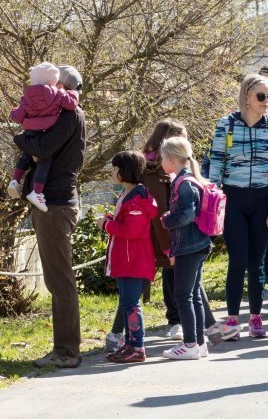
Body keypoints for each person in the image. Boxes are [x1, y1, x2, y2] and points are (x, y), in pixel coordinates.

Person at [207, 74, 268, 340]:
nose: (267, 102)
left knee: (256, 262)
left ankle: (255, 316)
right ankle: (231, 319)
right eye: (261, 96)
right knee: (237, 259)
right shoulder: (226, 124)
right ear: (247, 96)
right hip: (234, 200)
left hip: (263, 200)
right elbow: (216, 163)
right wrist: (213, 201)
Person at [15, 65, 85, 369]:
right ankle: (64, 347)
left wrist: (21, 140)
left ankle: (67, 351)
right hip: (53, 203)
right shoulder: (63, 114)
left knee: (60, 280)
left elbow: (42, 147)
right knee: (58, 279)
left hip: (54, 206)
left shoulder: (68, 116)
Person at [99, 151, 158, 363]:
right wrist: (110, 219)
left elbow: (131, 231)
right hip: (126, 259)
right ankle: (129, 344)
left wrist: (106, 225)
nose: (112, 172)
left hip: (134, 260)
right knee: (126, 302)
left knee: (132, 303)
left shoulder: (137, 200)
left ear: (126, 172)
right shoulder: (127, 195)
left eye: (115, 169)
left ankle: (137, 346)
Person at [160, 137, 214, 360]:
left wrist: (167, 220)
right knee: (193, 294)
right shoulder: (190, 179)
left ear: (172, 159)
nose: (161, 161)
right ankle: (199, 343)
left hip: (189, 246)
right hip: (199, 244)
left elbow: (187, 215)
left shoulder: (183, 184)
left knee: (182, 294)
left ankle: (190, 343)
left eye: (163, 157)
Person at [8, 62, 80, 212]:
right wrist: (73, 93)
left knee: (26, 155)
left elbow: (19, 116)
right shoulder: (58, 96)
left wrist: (19, 136)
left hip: (29, 133)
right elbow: (71, 103)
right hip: (44, 133)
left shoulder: (27, 97)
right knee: (42, 161)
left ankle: (15, 180)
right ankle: (36, 191)